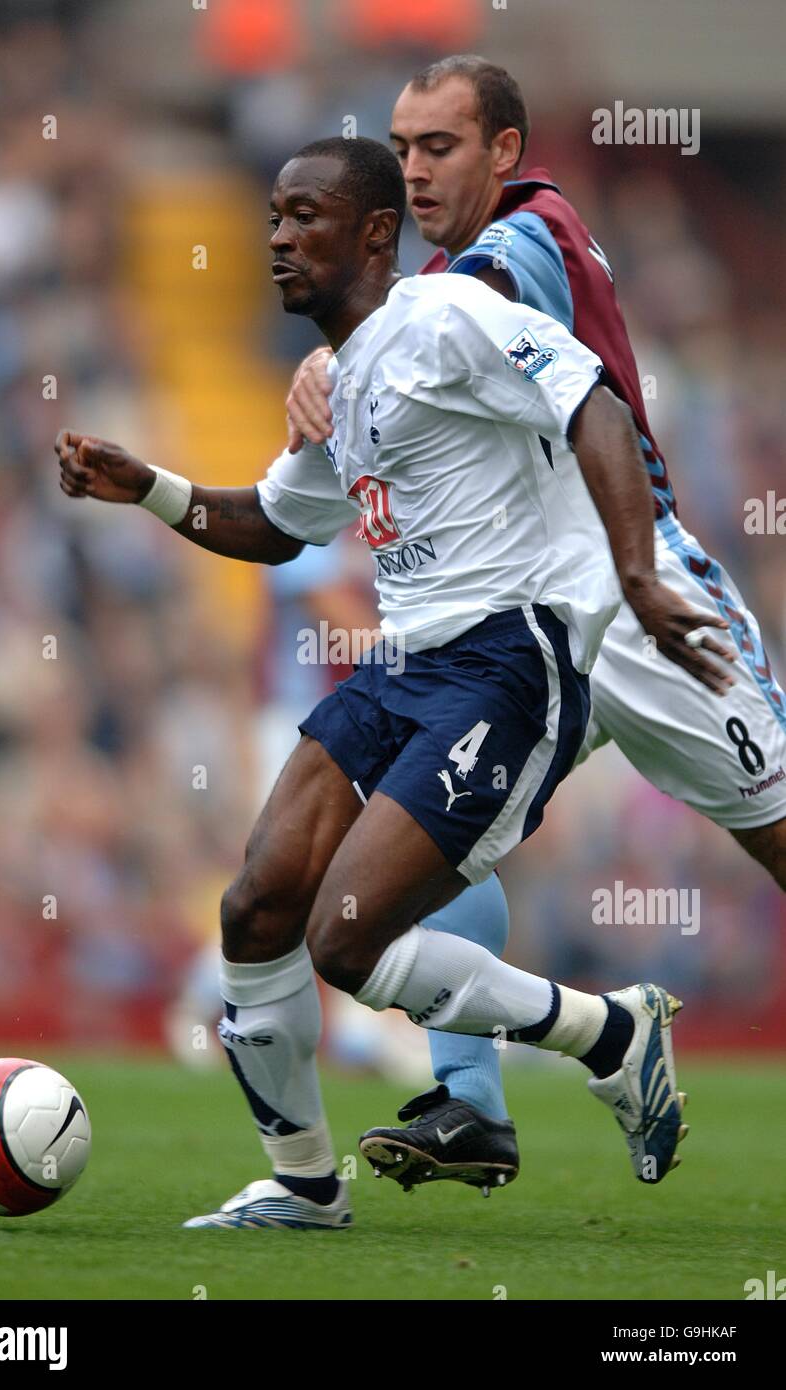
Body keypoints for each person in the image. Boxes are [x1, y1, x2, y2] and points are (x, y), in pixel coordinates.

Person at [56, 136, 727, 1230]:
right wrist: (151, 488)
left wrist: (640, 572)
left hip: (510, 659)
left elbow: (595, 400)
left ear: (377, 233)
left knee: (346, 936)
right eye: (273, 215)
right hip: (406, 662)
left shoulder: (447, 317)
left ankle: (612, 1034)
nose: (278, 236)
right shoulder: (348, 374)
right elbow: (276, 526)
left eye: (306, 215)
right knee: (257, 901)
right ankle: (310, 1188)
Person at [284, 56, 786, 1194]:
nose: (414, 170)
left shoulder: (530, 237)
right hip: (524, 621)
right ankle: (472, 1104)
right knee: (425, 826)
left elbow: (486, 319)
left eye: (442, 147)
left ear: (504, 153)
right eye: (403, 148)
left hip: (640, 591)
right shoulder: (434, 288)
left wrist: (328, 350)